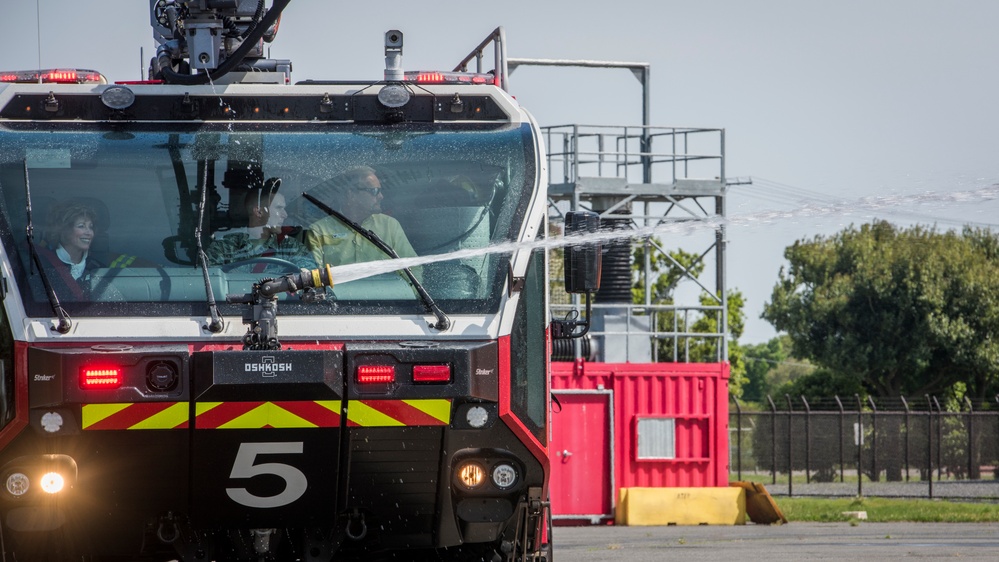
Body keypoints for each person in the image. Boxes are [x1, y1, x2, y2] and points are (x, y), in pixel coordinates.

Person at [306, 166, 417, 268]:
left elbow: (412, 268)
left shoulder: (390, 226)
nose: (381, 196)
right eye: (374, 191)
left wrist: (407, 290)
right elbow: (314, 278)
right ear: (351, 195)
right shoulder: (318, 231)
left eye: (380, 191)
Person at [207, 180, 318, 272]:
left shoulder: (290, 247)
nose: (285, 215)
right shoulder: (224, 247)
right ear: (259, 212)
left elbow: (310, 272)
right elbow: (210, 282)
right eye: (279, 208)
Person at [36, 201, 108, 300]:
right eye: (81, 226)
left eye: (90, 227)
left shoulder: (99, 268)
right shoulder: (41, 265)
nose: (89, 232)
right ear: (65, 230)